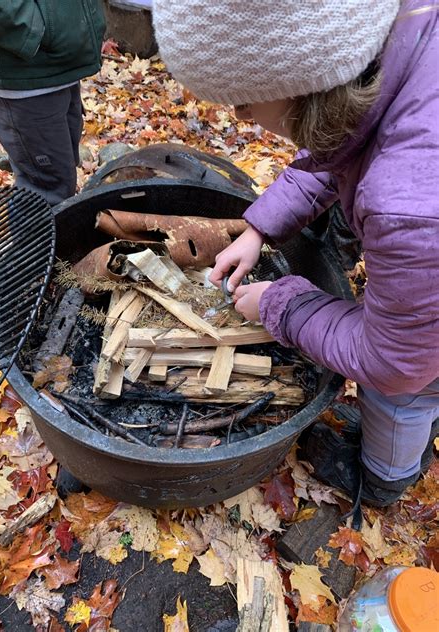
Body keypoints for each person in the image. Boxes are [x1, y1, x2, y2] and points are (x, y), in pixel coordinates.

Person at [153, 0, 439, 508]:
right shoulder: (401, 41)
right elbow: (341, 149)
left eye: (243, 101)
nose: (240, 115)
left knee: (406, 396)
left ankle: (381, 481)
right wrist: (258, 229)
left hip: (412, 351)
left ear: (304, 86)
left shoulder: (409, 209)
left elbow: (395, 363)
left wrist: (278, 304)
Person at [0, 1, 106, 206]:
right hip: (25, 76)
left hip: (58, 65)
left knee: (60, 174)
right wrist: (31, 31)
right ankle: (35, 236)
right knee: (46, 189)